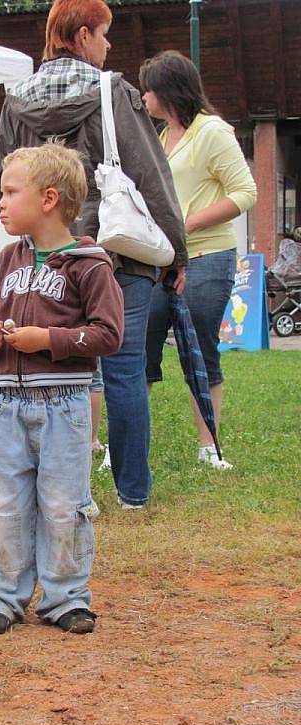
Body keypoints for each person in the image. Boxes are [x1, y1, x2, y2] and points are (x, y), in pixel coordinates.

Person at [0, 0, 188, 510]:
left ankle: (62, 489)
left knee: (54, 373)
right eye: (104, 35)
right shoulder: (113, 91)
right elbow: (150, 172)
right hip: (115, 250)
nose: (108, 46)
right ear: (81, 36)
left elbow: (5, 178)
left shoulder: (16, 100)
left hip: (44, 259)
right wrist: (176, 251)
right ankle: (132, 493)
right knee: (123, 370)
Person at [0, 143, 124, 635]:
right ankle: (1, 595)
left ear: (48, 199)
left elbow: (108, 334)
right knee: (6, 503)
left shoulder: (90, 264)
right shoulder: (3, 261)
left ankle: (65, 597)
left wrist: (50, 340)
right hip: (4, 404)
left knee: (63, 503)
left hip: (63, 404)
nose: (1, 202)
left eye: (10, 192)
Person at [139, 51, 257, 470]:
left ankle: (208, 447)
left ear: (168, 91)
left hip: (208, 256)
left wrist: (186, 224)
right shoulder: (156, 136)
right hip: (157, 261)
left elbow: (245, 193)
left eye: (149, 88)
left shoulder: (213, 132)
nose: (143, 95)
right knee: (138, 349)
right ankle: (128, 445)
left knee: (200, 351)